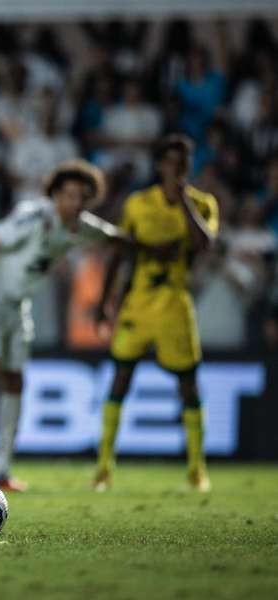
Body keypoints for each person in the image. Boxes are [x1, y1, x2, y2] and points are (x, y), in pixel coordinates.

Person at [0, 160, 122, 492]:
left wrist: (104, 301)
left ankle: (1, 470)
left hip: (17, 306)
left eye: (81, 197)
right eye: (68, 195)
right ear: (55, 195)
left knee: (14, 381)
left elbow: (119, 241)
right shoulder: (34, 215)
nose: (74, 203)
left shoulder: (83, 225)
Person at [93, 134, 219, 492]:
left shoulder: (201, 203)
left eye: (182, 163)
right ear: (160, 164)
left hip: (175, 303)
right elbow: (119, 252)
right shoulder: (138, 204)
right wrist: (105, 301)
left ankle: (197, 469)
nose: (175, 168)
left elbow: (204, 244)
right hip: (138, 303)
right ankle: (104, 467)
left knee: (188, 384)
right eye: (169, 162)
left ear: (187, 167)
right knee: (120, 379)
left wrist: (182, 201)